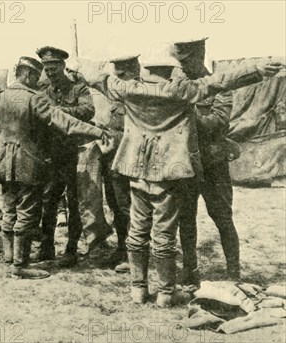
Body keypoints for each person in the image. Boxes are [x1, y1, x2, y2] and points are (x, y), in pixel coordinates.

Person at [84, 43, 283, 306]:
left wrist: (78, 68)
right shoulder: (181, 91)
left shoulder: (128, 89)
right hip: (170, 172)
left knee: (138, 231)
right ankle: (166, 293)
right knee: (164, 234)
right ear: (170, 70)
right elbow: (222, 80)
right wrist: (257, 68)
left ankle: (138, 289)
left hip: (137, 171)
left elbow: (98, 78)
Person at [0, 56, 109, 279]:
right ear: (28, 75)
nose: (39, 81)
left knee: (8, 208)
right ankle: (19, 264)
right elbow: (64, 122)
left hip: (0, 163)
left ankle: (9, 258)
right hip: (27, 163)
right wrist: (96, 132)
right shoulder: (34, 99)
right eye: (37, 76)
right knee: (27, 211)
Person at [175, 37, 246, 285]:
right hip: (186, 165)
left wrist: (186, 108)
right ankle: (190, 271)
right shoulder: (180, 85)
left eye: (186, 61)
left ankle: (233, 273)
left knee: (222, 218)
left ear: (199, 56)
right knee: (186, 218)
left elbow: (215, 122)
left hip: (213, 165)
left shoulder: (220, 86)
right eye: (179, 61)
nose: (182, 66)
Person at [33, 46, 112, 267]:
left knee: (75, 202)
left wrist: (60, 113)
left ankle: (71, 249)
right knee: (49, 200)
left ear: (63, 66)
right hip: (52, 154)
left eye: (54, 68)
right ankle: (46, 247)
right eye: (47, 69)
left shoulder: (78, 89)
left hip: (75, 153)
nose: (51, 73)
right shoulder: (42, 91)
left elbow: (88, 111)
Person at [104, 55, 141, 273]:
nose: (117, 79)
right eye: (116, 75)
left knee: (131, 209)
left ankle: (133, 253)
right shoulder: (118, 97)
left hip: (131, 162)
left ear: (134, 72)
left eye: (122, 75)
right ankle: (121, 246)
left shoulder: (140, 96)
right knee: (116, 206)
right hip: (113, 162)